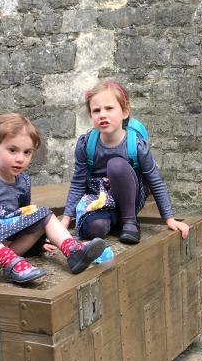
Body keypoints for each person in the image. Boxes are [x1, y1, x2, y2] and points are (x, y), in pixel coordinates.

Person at [0, 112, 108, 284]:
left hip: (8, 250)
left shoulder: (23, 182)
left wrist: (37, 241)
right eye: (12, 150)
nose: (20, 159)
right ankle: (10, 265)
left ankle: (73, 251)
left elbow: (24, 218)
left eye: (27, 152)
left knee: (41, 212)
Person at [60, 80, 190, 244]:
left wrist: (169, 219)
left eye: (109, 108)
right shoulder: (86, 144)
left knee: (116, 165)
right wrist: (65, 219)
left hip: (129, 197)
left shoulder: (135, 145)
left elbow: (155, 181)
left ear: (124, 112)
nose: (102, 114)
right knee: (95, 228)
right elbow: (78, 181)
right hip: (99, 199)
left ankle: (129, 221)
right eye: (96, 110)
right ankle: (112, 221)